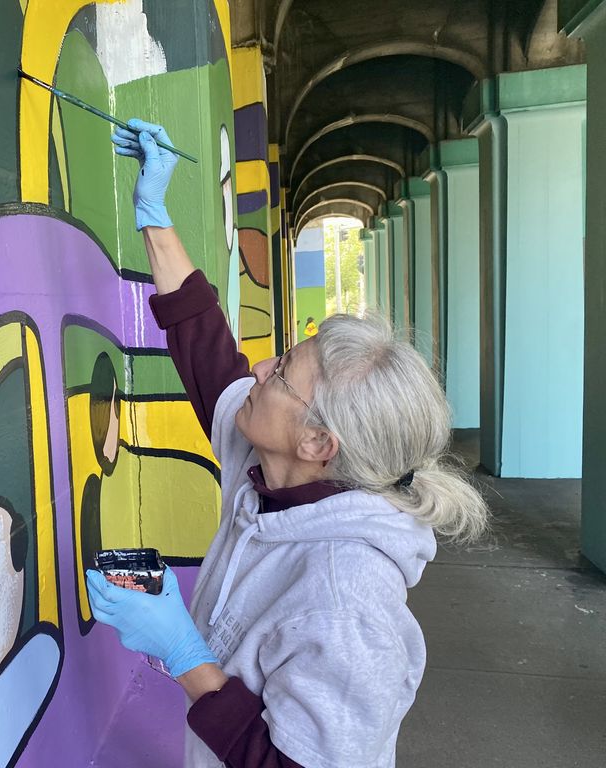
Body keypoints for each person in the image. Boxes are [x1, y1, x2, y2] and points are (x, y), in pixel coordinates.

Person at [85, 119, 489, 768]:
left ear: (318, 442)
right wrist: (153, 213)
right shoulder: (270, 469)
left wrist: (187, 656)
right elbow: (210, 355)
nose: (263, 366)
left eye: (281, 375)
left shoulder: (345, 597)